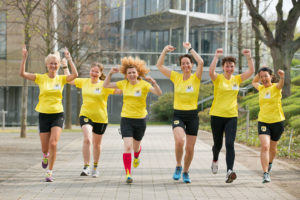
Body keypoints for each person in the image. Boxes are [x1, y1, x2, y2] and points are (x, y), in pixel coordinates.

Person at [19, 46, 78, 182]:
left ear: (58, 65)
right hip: (43, 115)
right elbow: (22, 74)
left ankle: (49, 172)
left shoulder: (61, 79)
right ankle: (45, 156)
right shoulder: (40, 78)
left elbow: (75, 75)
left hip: (58, 115)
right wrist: (24, 58)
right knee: (45, 147)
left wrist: (69, 59)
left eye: (55, 63)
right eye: (51, 63)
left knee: (53, 144)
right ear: (47, 65)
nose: (53, 65)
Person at [103, 56, 162, 183]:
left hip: (140, 120)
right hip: (126, 119)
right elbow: (106, 85)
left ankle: (137, 155)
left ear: (138, 73)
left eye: (133, 72)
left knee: (135, 147)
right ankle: (128, 174)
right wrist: (110, 73)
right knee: (127, 146)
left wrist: (154, 83)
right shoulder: (123, 84)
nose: (131, 74)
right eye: (129, 73)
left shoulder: (144, 85)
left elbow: (159, 93)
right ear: (126, 74)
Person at [63, 62, 121, 178]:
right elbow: (69, 80)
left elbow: (120, 90)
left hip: (101, 118)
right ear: (90, 71)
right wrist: (65, 66)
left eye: (96, 72)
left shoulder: (105, 85)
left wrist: (132, 80)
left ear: (100, 74)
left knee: (97, 144)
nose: (94, 73)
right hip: (86, 115)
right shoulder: (84, 82)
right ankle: (86, 166)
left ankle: (95, 167)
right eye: (92, 71)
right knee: (87, 139)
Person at [156, 42, 204, 183]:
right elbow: (159, 66)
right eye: (183, 63)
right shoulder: (176, 77)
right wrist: (164, 50)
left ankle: (186, 171)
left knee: (189, 149)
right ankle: (178, 165)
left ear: (191, 65)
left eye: (188, 63)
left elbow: (201, 62)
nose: (185, 65)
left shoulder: (196, 78)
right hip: (179, 114)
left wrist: (189, 49)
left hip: (192, 116)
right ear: (180, 66)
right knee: (179, 141)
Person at [209, 48, 254, 183]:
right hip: (216, 116)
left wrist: (248, 57)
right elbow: (211, 72)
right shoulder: (218, 78)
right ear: (223, 67)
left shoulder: (237, 79)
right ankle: (215, 159)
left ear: (234, 68)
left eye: (231, 66)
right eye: (227, 66)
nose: (229, 68)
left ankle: (230, 170)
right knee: (218, 144)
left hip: (231, 116)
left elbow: (251, 72)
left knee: (230, 143)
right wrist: (216, 56)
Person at [252, 67, 285, 183]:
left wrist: (282, 77)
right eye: (261, 77)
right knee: (265, 146)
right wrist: (259, 72)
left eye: (266, 76)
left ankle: (270, 163)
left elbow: (281, 84)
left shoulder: (275, 87)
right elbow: (254, 82)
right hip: (263, 121)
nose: (264, 78)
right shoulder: (260, 88)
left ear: (271, 77)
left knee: (273, 148)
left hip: (277, 122)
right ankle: (265, 173)